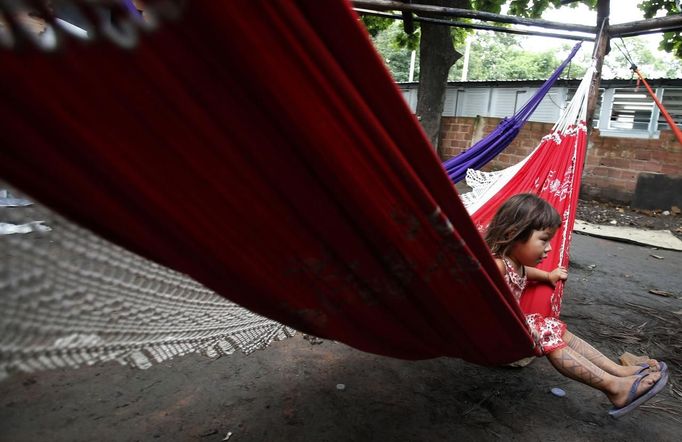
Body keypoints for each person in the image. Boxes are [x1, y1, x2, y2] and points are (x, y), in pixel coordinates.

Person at [485, 193, 669, 418]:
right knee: (545, 330)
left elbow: (525, 273)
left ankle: (618, 371)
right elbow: (483, 302)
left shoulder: (516, 264)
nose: (550, 248)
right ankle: (615, 387)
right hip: (495, 334)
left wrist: (547, 275)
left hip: (514, 329)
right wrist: (518, 326)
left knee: (553, 325)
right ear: (512, 235)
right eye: (544, 239)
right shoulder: (497, 266)